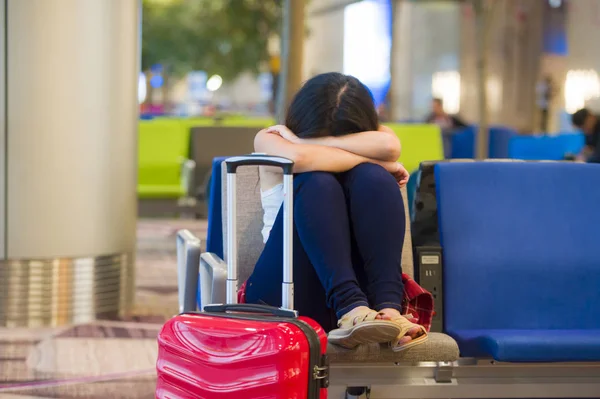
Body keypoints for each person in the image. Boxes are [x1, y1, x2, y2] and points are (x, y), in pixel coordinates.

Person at [245, 72, 428, 352]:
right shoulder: (269, 138)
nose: (328, 143)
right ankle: (350, 308)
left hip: (368, 300)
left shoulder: (375, 138)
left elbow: (390, 146)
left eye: (341, 137)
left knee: (372, 177)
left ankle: (389, 311)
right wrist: (379, 162)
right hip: (288, 290)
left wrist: (306, 141)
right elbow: (299, 159)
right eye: (321, 136)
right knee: (316, 180)